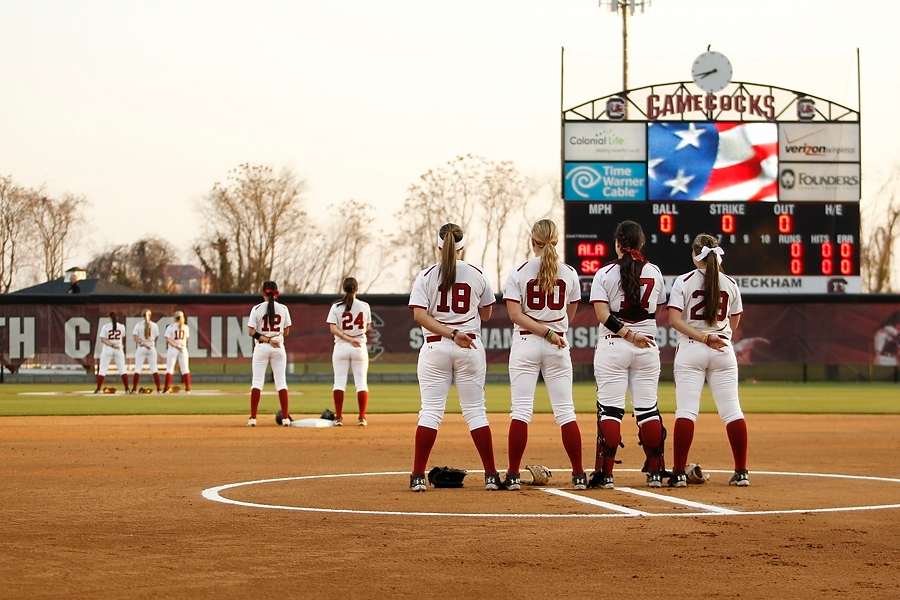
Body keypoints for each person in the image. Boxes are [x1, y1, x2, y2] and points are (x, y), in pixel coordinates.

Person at [408, 223, 501, 492]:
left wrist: (449, 332)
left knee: (430, 412)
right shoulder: (477, 273)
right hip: (469, 347)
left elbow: (419, 316)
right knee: (475, 412)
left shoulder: (426, 275)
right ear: (463, 247)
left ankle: (416, 477)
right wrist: (460, 327)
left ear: (438, 245)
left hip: (436, 347)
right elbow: (486, 314)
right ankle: (492, 476)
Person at [501, 219, 586, 490]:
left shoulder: (519, 271)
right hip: (557, 344)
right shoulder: (570, 272)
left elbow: (515, 315)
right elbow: (569, 314)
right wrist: (553, 331)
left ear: (532, 241)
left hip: (527, 342)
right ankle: (579, 475)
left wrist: (544, 332)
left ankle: (513, 475)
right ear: (556, 241)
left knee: (521, 411)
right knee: (565, 411)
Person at [588, 220, 667, 489]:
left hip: (613, 345)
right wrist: (636, 334)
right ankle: (655, 473)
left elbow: (602, 316)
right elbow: (657, 310)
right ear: (641, 243)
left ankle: (606, 475)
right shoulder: (654, 272)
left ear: (618, 244)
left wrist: (628, 334)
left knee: (610, 411)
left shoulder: (604, 273)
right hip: (647, 346)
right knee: (648, 410)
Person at [667, 234, 749, 487]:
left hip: (693, 348)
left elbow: (674, 320)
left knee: (687, 411)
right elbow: (734, 321)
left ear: (694, 254)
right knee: (732, 411)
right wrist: (716, 335)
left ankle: (679, 472)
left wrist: (703, 337)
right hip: (723, 348)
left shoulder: (684, 281)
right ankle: (741, 472)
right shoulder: (730, 283)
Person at [246, 281, 293, 427]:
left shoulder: (257, 308)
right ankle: (285, 418)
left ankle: (253, 418)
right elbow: (286, 331)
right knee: (281, 382)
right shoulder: (283, 308)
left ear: (263, 293)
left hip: (262, 346)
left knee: (257, 382)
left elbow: (251, 332)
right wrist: (274, 337)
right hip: (278, 346)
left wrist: (267, 339)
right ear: (276, 292)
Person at [326, 277, 371, 426]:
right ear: (357, 289)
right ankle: (362, 418)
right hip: (359, 347)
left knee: (339, 382)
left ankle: (338, 417)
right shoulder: (364, 306)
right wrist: (355, 336)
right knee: (361, 383)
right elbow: (367, 326)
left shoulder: (336, 307)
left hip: (341, 347)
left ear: (343, 289)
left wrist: (347, 337)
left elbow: (333, 329)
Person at [94, 311, 129, 393]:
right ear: (117, 318)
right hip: (118, 348)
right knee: (122, 369)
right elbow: (122, 337)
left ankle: (98, 389)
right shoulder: (122, 327)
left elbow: (103, 339)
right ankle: (127, 388)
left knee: (103, 369)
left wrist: (111, 345)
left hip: (108, 349)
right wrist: (117, 344)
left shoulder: (105, 327)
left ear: (109, 318)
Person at [131, 308, 162, 393]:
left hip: (141, 347)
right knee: (154, 368)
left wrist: (142, 343)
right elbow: (156, 337)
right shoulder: (154, 325)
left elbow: (135, 337)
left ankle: (134, 388)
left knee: (138, 368)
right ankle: (159, 388)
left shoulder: (138, 325)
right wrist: (149, 343)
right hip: (151, 347)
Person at [163, 310, 191, 393]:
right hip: (183, 348)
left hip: (173, 348)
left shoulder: (171, 327)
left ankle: (166, 388)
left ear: (175, 318)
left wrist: (175, 345)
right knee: (185, 369)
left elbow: (168, 339)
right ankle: (187, 388)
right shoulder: (185, 327)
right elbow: (187, 338)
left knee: (170, 369)